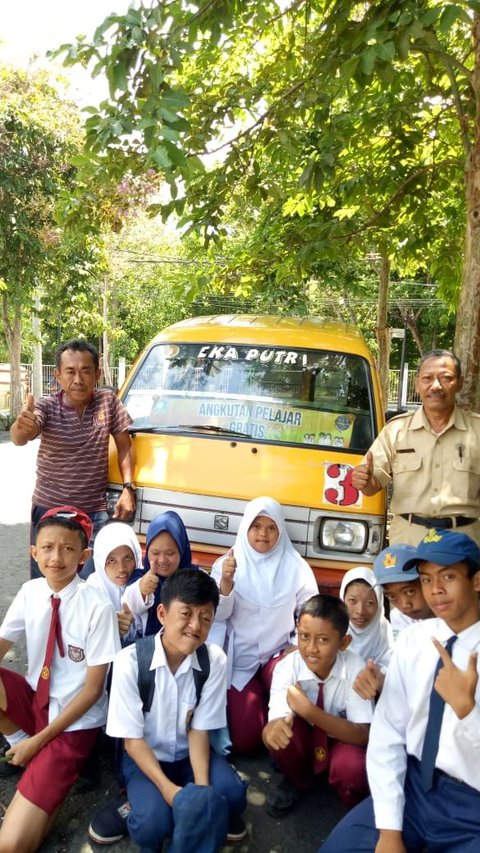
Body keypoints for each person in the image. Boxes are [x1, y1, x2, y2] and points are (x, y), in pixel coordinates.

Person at [318, 528, 480, 853]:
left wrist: (469, 714)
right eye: (426, 578)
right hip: (414, 788)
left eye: (448, 576)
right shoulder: (413, 640)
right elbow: (388, 734)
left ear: (476, 580)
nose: (435, 590)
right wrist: (390, 831)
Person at [88, 569, 248, 850]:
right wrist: (169, 791)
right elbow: (132, 742)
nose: (195, 626)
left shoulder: (214, 661)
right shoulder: (130, 662)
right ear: (162, 614)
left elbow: (199, 729)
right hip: (144, 759)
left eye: (206, 617)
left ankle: (190, 808)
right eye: (186, 613)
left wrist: (200, 793)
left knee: (232, 797)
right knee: (153, 826)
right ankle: (133, 805)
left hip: (188, 757)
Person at [0, 506, 120, 852]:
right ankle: (22, 746)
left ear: (84, 556)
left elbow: (93, 691)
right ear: (33, 551)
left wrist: (39, 741)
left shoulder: (96, 607)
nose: (56, 557)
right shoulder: (30, 592)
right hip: (34, 701)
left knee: (10, 845)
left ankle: (37, 755)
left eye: (68, 549)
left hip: (73, 722)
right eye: (48, 547)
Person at [10, 339, 136, 578]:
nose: (78, 379)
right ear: (58, 375)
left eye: (85, 371)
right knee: (46, 584)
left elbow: (125, 447)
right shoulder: (47, 407)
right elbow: (21, 436)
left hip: (93, 512)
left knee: (90, 584)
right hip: (49, 510)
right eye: (70, 371)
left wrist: (128, 488)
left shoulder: (108, 403)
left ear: (97, 374)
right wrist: (20, 427)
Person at [210, 496, 318, 754]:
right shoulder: (227, 565)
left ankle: (297, 746)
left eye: (271, 528)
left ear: (280, 531)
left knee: (297, 691)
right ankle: (261, 707)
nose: (263, 534)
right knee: (246, 739)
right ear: (245, 528)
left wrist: (296, 645)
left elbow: (311, 612)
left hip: (279, 655)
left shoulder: (297, 567)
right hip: (240, 660)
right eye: (256, 526)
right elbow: (218, 615)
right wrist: (226, 582)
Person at [351, 350, 480, 546]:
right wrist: (364, 481)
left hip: (465, 544)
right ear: (417, 383)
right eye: (427, 378)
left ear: (460, 383)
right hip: (408, 542)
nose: (435, 386)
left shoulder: (477, 430)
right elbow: (371, 487)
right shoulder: (397, 430)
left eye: (446, 378)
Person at [263, 594, 373, 817]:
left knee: (352, 766)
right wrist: (269, 733)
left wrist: (308, 710)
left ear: (343, 643)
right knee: (285, 737)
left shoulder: (355, 667)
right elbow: (274, 722)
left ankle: (351, 800)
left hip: (341, 741)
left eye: (323, 640)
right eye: (304, 636)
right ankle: (297, 781)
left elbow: (363, 734)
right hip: (307, 737)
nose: (311, 648)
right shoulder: (287, 667)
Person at [353, 545, 432, 700]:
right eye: (392, 596)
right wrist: (381, 678)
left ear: (426, 580)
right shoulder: (399, 618)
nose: (404, 604)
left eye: (410, 591)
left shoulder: (453, 619)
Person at [122, 510, 196, 636]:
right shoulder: (139, 577)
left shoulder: (196, 578)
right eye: (155, 553)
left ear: (182, 550)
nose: (162, 560)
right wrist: (142, 591)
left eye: (170, 553)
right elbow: (127, 605)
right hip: (148, 650)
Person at [88, 522, 143, 645]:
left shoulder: (145, 582)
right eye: (112, 561)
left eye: (128, 558)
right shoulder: (91, 590)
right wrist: (110, 626)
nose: (121, 569)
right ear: (100, 562)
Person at [339, 566, 393, 672]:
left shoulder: (385, 632)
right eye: (353, 600)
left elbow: (392, 670)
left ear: (379, 603)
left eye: (369, 603)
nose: (360, 611)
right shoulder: (333, 628)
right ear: (343, 599)